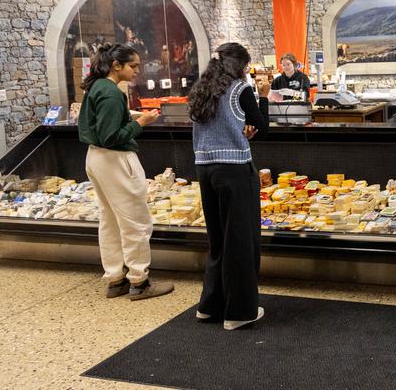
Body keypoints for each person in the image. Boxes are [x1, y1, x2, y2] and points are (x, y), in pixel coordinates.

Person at [78, 43, 173, 301]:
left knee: (109, 220)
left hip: (95, 157)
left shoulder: (95, 86)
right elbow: (111, 136)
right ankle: (139, 281)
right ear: (116, 65)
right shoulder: (111, 92)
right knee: (135, 221)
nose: (136, 71)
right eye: (133, 66)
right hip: (115, 159)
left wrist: (128, 116)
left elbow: (97, 126)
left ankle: (115, 279)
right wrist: (140, 123)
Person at [189, 42, 269, 331]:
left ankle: (210, 305)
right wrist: (264, 96)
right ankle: (240, 311)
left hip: (204, 167)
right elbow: (262, 125)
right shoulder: (240, 90)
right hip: (234, 170)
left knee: (218, 238)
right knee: (241, 240)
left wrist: (239, 128)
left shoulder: (201, 89)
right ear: (239, 66)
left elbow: (219, 125)